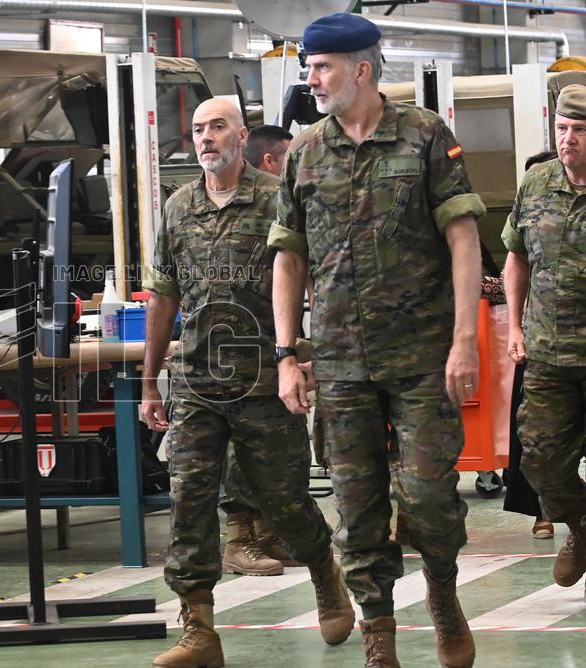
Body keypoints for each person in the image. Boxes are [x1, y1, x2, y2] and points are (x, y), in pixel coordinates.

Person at [269, 13, 484, 668]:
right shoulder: (306, 153)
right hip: (339, 363)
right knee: (357, 509)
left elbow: (464, 238)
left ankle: (443, 596)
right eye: (308, 67)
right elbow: (287, 259)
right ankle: (379, 636)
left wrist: (465, 339)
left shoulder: (424, 137)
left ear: (360, 69)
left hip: (423, 358)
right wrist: (287, 353)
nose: (311, 79)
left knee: (427, 497)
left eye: (322, 66)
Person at [141, 97, 353, 668]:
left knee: (283, 501)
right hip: (195, 383)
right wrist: (150, 380)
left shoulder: (276, 199)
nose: (206, 138)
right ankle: (199, 629)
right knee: (189, 500)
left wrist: (312, 358)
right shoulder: (179, 205)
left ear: (241, 136)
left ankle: (324, 573)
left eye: (217, 127)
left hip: (265, 380)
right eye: (198, 130)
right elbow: (163, 296)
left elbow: (314, 284)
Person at [502, 85, 586, 595]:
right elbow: (516, 256)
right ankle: (581, 525)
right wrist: (513, 325)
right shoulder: (537, 183)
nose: (567, 140)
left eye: (579, 130)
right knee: (538, 459)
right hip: (549, 353)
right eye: (561, 129)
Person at [217, 123, 302, 575]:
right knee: (240, 447)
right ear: (269, 160)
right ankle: (240, 539)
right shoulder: (212, 202)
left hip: (273, 341)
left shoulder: (276, 197)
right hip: (232, 348)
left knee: (278, 446)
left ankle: (269, 534)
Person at [501, 150, 559, 540]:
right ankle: (546, 511)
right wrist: (516, 327)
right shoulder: (528, 205)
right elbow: (512, 263)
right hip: (540, 340)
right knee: (534, 443)